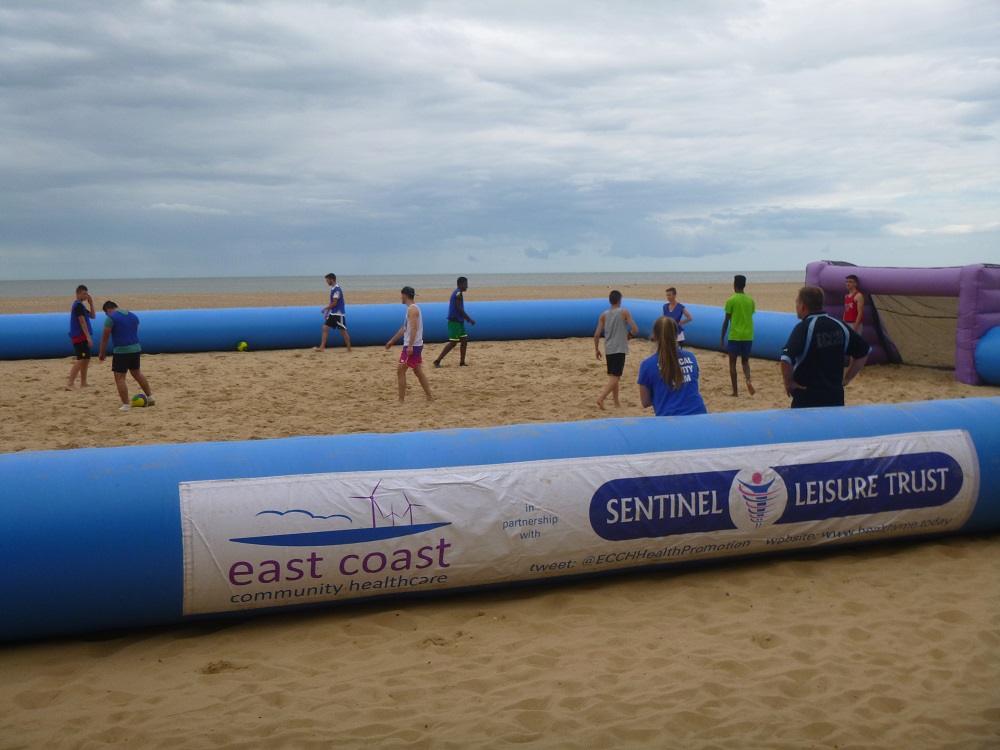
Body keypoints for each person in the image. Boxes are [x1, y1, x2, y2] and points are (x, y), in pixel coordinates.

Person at [781, 285, 871, 409]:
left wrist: (789, 383)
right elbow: (863, 352)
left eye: (797, 302)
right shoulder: (840, 326)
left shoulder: (804, 328)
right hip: (834, 397)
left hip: (807, 397)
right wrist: (847, 378)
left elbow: (786, 358)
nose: (796, 306)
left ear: (803, 305)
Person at [637, 317, 708, 416]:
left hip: (670, 418)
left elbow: (645, 402)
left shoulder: (647, 365)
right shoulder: (691, 357)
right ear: (676, 335)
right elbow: (692, 385)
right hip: (699, 414)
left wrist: (662, 393)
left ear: (655, 337)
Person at [98, 301, 155, 411]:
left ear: (108, 310)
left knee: (120, 378)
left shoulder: (111, 318)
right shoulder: (133, 316)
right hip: (136, 348)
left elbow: (105, 337)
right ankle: (150, 397)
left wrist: (102, 352)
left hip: (122, 350)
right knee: (137, 373)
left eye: (106, 313)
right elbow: (134, 331)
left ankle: (126, 405)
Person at [385, 286, 434, 404]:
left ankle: (401, 400)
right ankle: (429, 397)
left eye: (401, 295)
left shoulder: (412, 310)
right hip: (415, 345)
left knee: (400, 371)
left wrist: (410, 346)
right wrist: (392, 340)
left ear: (405, 295)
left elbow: (414, 328)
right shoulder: (411, 309)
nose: (401, 297)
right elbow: (404, 328)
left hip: (413, 345)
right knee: (418, 371)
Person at [593, 290, 640, 410]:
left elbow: (597, 335)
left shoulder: (604, 315)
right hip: (619, 348)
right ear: (620, 300)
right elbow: (635, 329)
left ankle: (616, 403)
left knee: (614, 375)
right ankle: (601, 398)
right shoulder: (624, 312)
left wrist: (596, 349)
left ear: (610, 301)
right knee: (617, 376)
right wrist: (629, 336)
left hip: (608, 348)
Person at [719, 274, 756, 397]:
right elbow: (750, 315)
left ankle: (735, 392)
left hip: (735, 335)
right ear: (744, 285)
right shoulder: (750, 300)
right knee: (745, 362)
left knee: (732, 363)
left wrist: (722, 337)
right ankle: (748, 380)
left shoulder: (731, 300)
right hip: (748, 335)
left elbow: (726, 320)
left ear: (734, 285)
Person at [433, 276, 476, 367]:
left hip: (459, 321)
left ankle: (462, 362)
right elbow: (459, 308)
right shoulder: (458, 294)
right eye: (465, 284)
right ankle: (437, 360)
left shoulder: (458, 293)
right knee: (453, 342)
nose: (467, 286)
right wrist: (468, 319)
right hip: (455, 321)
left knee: (464, 340)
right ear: (460, 284)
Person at [65, 284, 96, 390]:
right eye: (84, 294)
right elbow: (82, 321)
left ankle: (83, 382)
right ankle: (70, 383)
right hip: (79, 337)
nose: (86, 296)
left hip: (82, 337)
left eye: (87, 294)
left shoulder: (81, 306)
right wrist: (88, 337)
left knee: (86, 359)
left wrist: (91, 304)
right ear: (78, 294)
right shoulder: (78, 305)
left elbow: (93, 316)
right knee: (82, 359)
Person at [315, 273, 352, 352]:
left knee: (343, 331)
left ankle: (349, 348)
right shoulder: (333, 289)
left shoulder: (337, 290)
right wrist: (327, 312)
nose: (327, 282)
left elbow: (334, 303)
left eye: (328, 280)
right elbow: (331, 303)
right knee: (324, 328)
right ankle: (322, 347)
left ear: (332, 279)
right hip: (333, 313)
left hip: (339, 313)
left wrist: (325, 309)